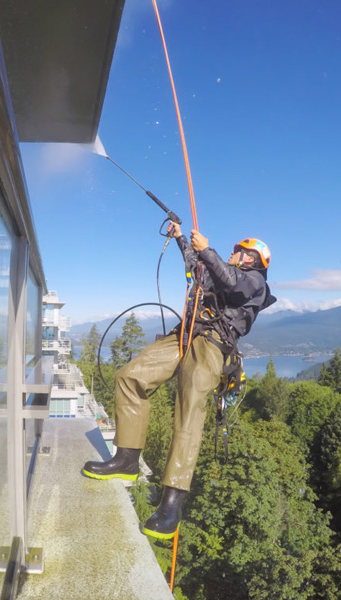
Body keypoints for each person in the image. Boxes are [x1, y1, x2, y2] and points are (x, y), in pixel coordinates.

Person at [82, 222, 276, 539]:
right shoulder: (220, 268)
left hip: (214, 343)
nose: (231, 254)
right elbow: (197, 264)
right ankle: (127, 459)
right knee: (130, 377)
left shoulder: (255, 282)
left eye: (237, 251)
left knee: (190, 410)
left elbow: (232, 284)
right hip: (185, 334)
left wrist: (207, 250)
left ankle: (172, 501)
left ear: (250, 258)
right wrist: (181, 239)